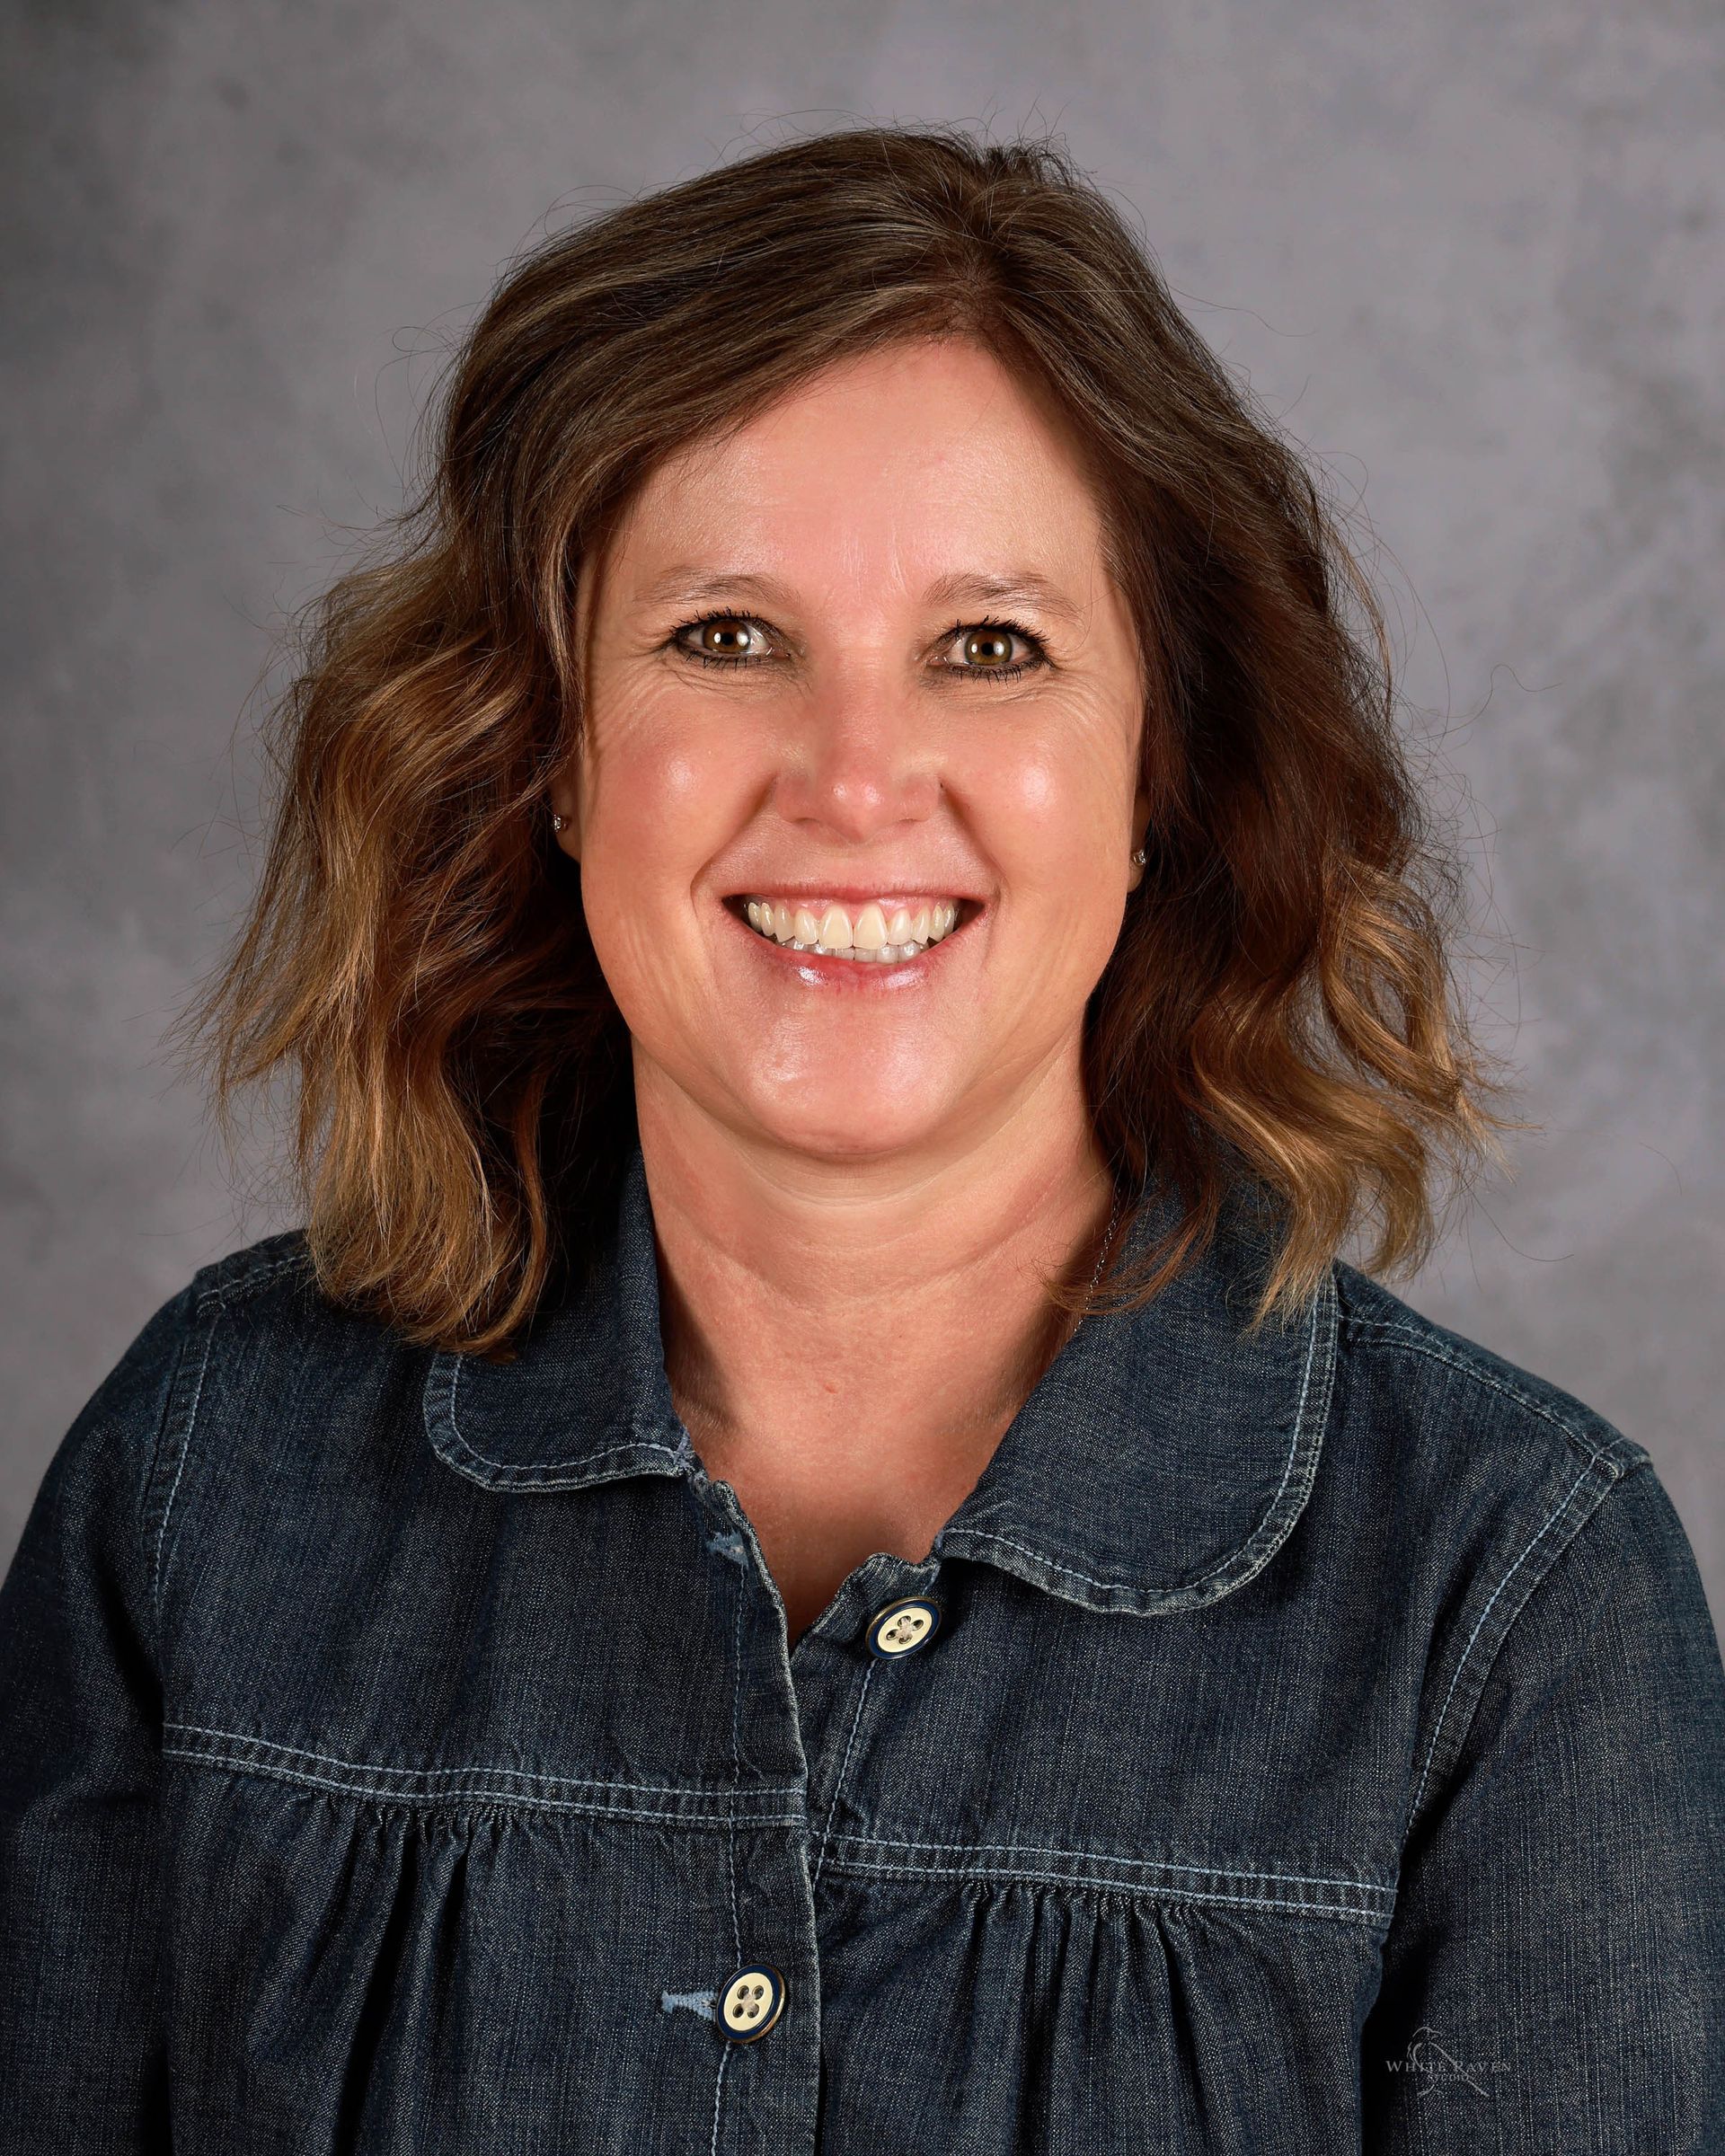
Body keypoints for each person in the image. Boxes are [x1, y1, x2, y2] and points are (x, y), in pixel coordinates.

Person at [2, 122, 1721, 2155]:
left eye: (991, 650)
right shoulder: (203, 1479)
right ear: (547, 751)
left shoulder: (1507, 1601)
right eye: (725, 637)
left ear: (1164, 769)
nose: (855, 780)